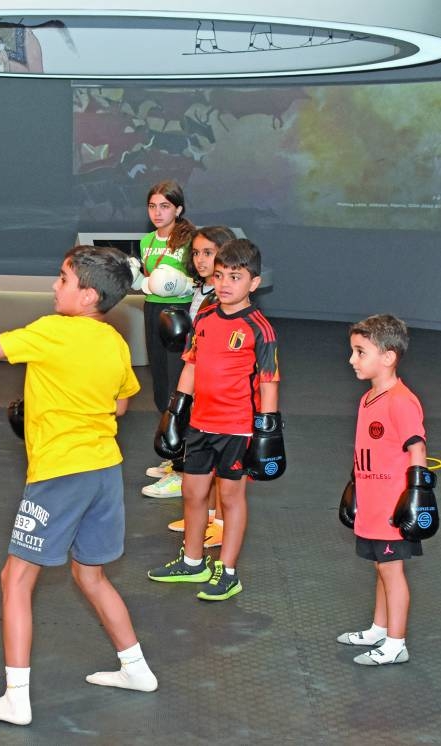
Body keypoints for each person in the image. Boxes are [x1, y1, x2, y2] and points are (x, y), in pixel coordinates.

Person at [0, 245, 158, 727]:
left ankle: (15, 698)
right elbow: (120, 405)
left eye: (64, 279)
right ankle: (136, 669)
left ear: (87, 295)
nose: (55, 285)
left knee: (15, 579)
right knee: (90, 575)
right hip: (104, 471)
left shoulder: (52, 331)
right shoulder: (114, 341)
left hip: (60, 474)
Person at [147, 238, 282, 602]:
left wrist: (267, 431)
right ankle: (192, 562)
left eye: (235, 277)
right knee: (192, 492)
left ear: (254, 283)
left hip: (237, 427)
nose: (224, 284)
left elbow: (268, 381)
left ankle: (228, 571)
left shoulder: (259, 328)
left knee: (231, 497)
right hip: (201, 423)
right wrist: (175, 411)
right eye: (220, 276)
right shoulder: (205, 318)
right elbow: (191, 364)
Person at [337, 314, 428, 665]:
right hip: (372, 504)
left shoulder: (401, 401)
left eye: (360, 352)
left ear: (388, 356)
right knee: (380, 567)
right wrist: (355, 485)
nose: (352, 359)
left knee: (392, 571)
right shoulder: (368, 399)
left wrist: (417, 496)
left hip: (393, 508)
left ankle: (396, 643)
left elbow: (417, 448)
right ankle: (379, 628)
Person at [156, 226, 237, 550]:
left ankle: (220, 524)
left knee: (221, 463)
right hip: (200, 382)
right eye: (197, 253)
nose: (201, 259)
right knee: (202, 456)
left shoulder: (225, 298)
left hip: (221, 392)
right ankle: (205, 517)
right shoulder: (202, 290)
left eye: (209, 253)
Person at [135, 180, 196, 497]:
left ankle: (186, 470)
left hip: (180, 315)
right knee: (160, 385)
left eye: (165, 206)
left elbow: (200, 276)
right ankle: (175, 455)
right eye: (152, 206)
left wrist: (184, 284)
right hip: (152, 313)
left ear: (178, 209)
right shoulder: (146, 241)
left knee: (179, 388)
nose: (157, 212)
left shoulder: (189, 240)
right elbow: (147, 281)